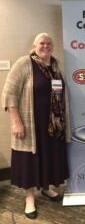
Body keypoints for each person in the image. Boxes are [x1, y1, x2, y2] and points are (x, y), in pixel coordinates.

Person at [2, 33, 70, 219]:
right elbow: (9, 94)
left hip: (53, 124)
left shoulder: (56, 66)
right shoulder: (24, 63)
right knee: (29, 160)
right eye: (42, 43)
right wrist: (16, 121)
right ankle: (30, 198)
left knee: (49, 157)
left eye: (49, 43)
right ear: (34, 45)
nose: (46, 46)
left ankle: (46, 188)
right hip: (31, 124)